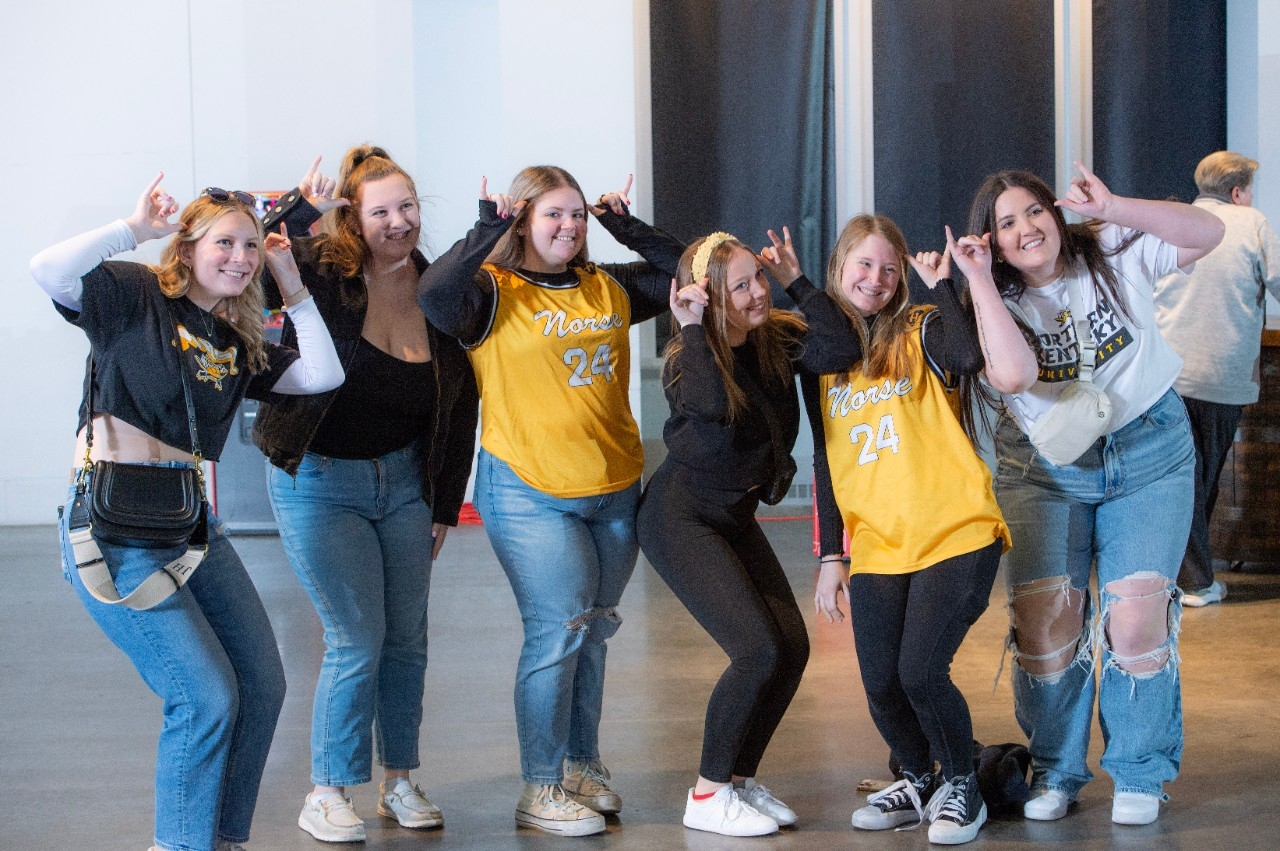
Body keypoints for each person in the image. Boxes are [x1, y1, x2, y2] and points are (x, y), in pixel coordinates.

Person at [33, 175, 344, 851]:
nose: (238, 256)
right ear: (188, 246)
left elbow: (323, 375)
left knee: (262, 682)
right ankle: (179, 844)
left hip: (188, 526)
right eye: (222, 242)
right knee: (203, 698)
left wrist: (291, 282)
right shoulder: (133, 296)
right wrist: (133, 229)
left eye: (249, 247)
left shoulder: (239, 338)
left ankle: (219, 838)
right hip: (113, 531)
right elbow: (47, 269)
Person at [418, 166, 683, 837]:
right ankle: (539, 786)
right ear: (522, 221)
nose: (569, 227)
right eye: (553, 215)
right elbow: (432, 293)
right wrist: (486, 226)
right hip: (528, 490)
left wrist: (628, 227)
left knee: (592, 631)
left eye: (578, 216)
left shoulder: (610, 285)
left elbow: (691, 272)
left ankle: (579, 766)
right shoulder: (489, 293)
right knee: (558, 627)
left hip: (615, 486)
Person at [967, 162, 1224, 826]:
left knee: (1136, 620)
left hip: (1149, 449)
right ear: (991, 241)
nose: (1026, 228)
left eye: (1035, 211)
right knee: (1048, 627)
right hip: (1046, 471)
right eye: (1007, 223)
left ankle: (1140, 767)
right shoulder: (992, 299)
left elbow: (1207, 229)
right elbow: (1017, 373)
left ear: (1056, 214)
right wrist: (975, 282)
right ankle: (1056, 766)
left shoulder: (1109, 248)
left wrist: (1115, 204)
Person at [251, 146, 479, 843]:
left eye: (407, 206)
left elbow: (461, 398)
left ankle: (400, 779)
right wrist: (298, 206)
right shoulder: (326, 275)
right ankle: (327, 790)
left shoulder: (439, 287)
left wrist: (444, 503)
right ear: (355, 215)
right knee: (358, 636)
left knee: (407, 638)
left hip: (406, 482)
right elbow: (256, 270)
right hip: (320, 479)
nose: (398, 221)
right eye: (380, 210)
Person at [806, 216, 1026, 845]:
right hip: (877, 543)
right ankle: (917, 774)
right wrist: (830, 556)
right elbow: (826, 458)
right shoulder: (821, 358)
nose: (875, 280)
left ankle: (961, 782)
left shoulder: (922, 326)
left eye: (889, 268)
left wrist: (940, 288)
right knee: (880, 685)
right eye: (864, 265)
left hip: (955, 530)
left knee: (922, 674)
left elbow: (967, 357)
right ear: (840, 267)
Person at [636, 229, 859, 838]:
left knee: (792, 648)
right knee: (757, 649)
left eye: (759, 277)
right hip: (679, 518)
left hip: (732, 517)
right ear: (710, 296)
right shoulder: (691, 357)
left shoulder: (775, 339)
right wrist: (689, 325)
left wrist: (797, 280)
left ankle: (737, 780)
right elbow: (710, 407)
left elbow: (839, 348)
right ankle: (707, 793)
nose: (758, 292)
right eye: (742, 285)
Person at [1154, 151, 1280, 607]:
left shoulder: (1172, 221)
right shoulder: (1251, 223)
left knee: (1180, 475)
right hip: (1219, 372)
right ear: (1237, 191)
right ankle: (1192, 582)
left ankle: (1184, 575)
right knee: (1198, 476)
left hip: (1165, 373)